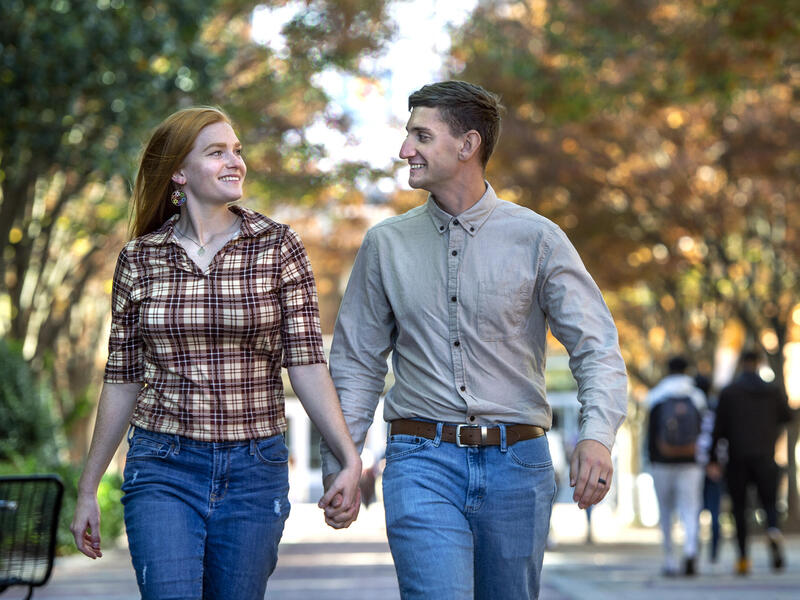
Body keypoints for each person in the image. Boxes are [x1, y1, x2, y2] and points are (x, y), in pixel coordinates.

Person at [320, 80, 628, 599]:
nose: (404, 150)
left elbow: (595, 344)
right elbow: (356, 364)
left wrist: (597, 435)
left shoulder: (539, 239)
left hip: (519, 466)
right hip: (420, 461)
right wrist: (343, 463)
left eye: (421, 135)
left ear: (467, 146)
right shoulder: (385, 245)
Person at [70, 107, 362, 600]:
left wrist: (348, 459)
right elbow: (121, 379)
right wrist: (87, 488)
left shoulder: (277, 245)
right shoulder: (140, 258)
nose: (235, 162)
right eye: (217, 152)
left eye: (237, 150)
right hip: (163, 464)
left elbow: (308, 362)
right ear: (179, 173)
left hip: (255, 468)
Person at [708, 350, 792, 576]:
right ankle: (773, 530)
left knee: (739, 509)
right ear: (758, 364)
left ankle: (743, 558)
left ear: (741, 364)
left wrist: (713, 459)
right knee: (770, 504)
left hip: (737, 459)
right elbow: (787, 416)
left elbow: (718, 430)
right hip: (766, 456)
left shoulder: (729, 393)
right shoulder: (772, 391)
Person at [646, 355, 707, 576]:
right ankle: (690, 550)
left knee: (666, 511)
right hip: (691, 463)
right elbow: (704, 430)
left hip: (662, 462)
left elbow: (651, 434)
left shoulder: (656, 396)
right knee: (690, 509)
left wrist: (652, 459)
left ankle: (670, 559)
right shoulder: (697, 397)